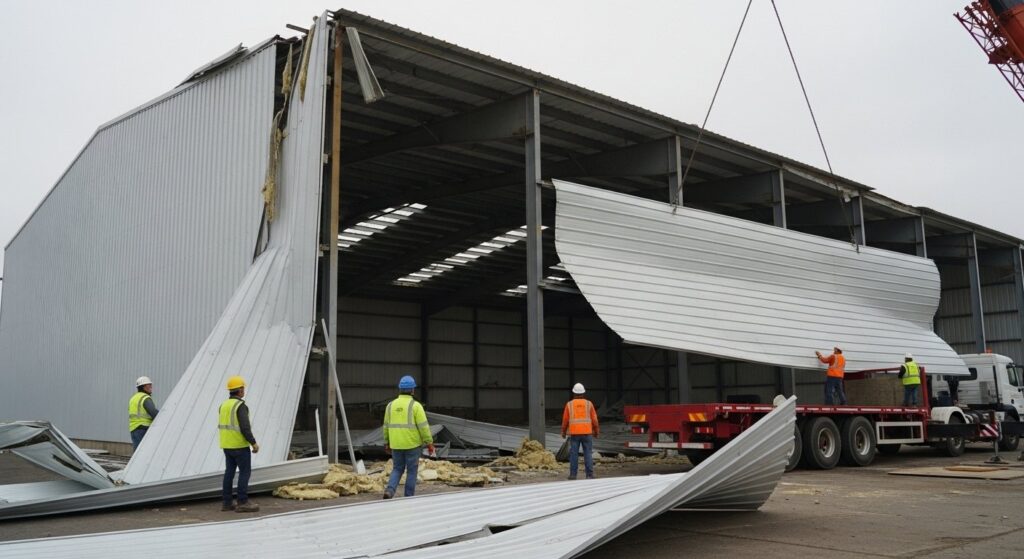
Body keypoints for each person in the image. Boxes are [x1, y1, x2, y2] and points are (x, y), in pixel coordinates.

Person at [383, 375, 435, 499]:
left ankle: (390, 490)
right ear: (412, 390)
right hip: (412, 445)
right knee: (412, 471)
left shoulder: (390, 406)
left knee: (397, 469)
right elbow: (424, 427)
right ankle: (408, 497)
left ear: (399, 389)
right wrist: (429, 443)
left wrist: (386, 442)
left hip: (396, 444)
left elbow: (385, 426)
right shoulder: (416, 406)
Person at [218, 375, 260, 513]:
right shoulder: (240, 406)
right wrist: (253, 443)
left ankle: (227, 503)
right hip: (240, 446)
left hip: (227, 445)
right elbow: (245, 427)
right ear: (240, 390)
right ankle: (242, 502)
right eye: (243, 388)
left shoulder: (223, 405)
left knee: (229, 473)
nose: (244, 390)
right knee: (244, 472)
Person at [561, 382, 599, 480]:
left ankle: (573, 475)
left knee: (574, 454)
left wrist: (563, 432)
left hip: (574, 434)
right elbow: (594, 419)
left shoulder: (569, 404)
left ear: (574, 393)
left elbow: (565, 420)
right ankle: (589, 475)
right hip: (587, 433)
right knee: (588, 453)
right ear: (583, 393)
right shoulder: (588, 404)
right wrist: (596, 431)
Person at [128, 376, 159, 450]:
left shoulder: (133, 398)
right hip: (143, 429)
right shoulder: (145, 398)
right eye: (149, 385)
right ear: (143, 387)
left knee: (137, 452)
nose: (151, 387)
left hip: (134, 429)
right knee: (145, 452)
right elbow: (154, 413)